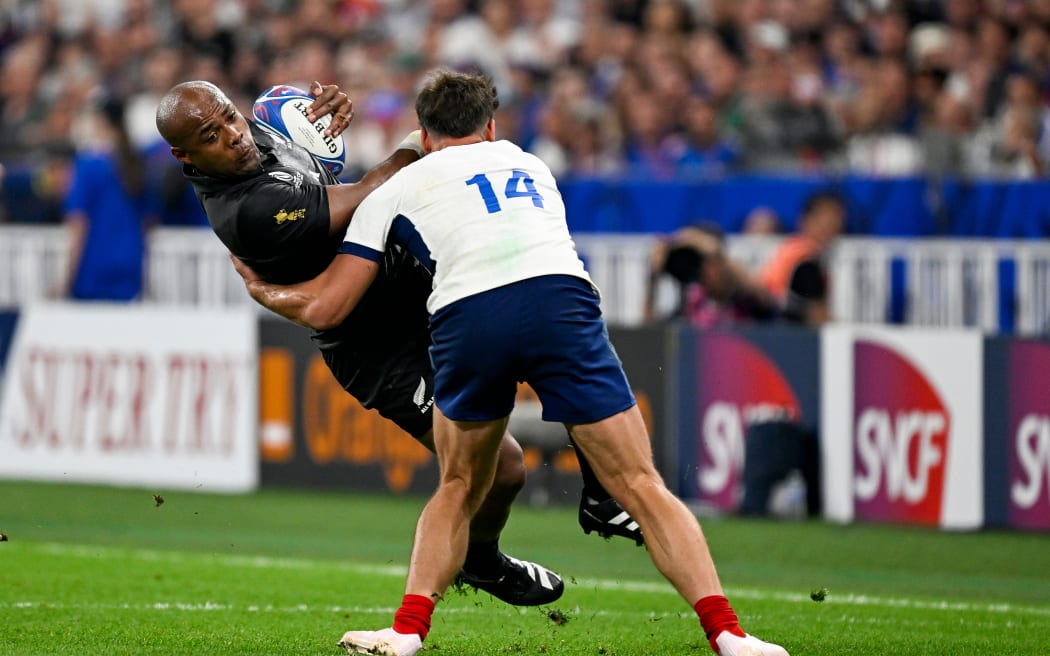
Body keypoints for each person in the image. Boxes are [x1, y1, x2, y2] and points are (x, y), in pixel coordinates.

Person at [231, 70, 789, 656]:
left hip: (469, 317)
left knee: (459, 484)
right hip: (560, 302)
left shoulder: (396, 188)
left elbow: (330, 304)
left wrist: (262, 288)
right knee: (643, 484)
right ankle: (728, 634)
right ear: (492, 125)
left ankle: (406, 632)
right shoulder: (532, 165)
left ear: (423, 133)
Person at [154, 79, 639, 609]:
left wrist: (332, 114)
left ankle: (598, 492)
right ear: (185, 155)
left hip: (417, 291)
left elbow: (315, 137)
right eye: (211, 133)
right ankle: (480, 559)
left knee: (542, 333)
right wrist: (423, 140)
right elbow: (374, 194)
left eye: (229, 116)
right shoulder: (248, 212)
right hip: (371, 345)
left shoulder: (262, 128)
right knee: (504, 469)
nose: (233, 134)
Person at [58, 97, 156, 301]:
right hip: (130, 261)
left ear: (99, 121)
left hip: (93, 264)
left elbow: (79, 224)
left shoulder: (88, 164)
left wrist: (66, 278)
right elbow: (149, 219)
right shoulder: (136, 161)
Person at [643, 221, 777, 327]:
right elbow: (650, 335)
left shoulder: (743, 299)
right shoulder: (690, 302)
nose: (703, 269)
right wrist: (652, 280)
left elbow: (764, 297)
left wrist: (715, 251)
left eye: (706, 259)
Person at [758, 191, 845, 326]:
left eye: (837, 220)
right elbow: (819, 319)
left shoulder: (793, 248)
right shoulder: (805, 259)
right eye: (827, 221)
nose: (834, 227)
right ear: (805, 220)